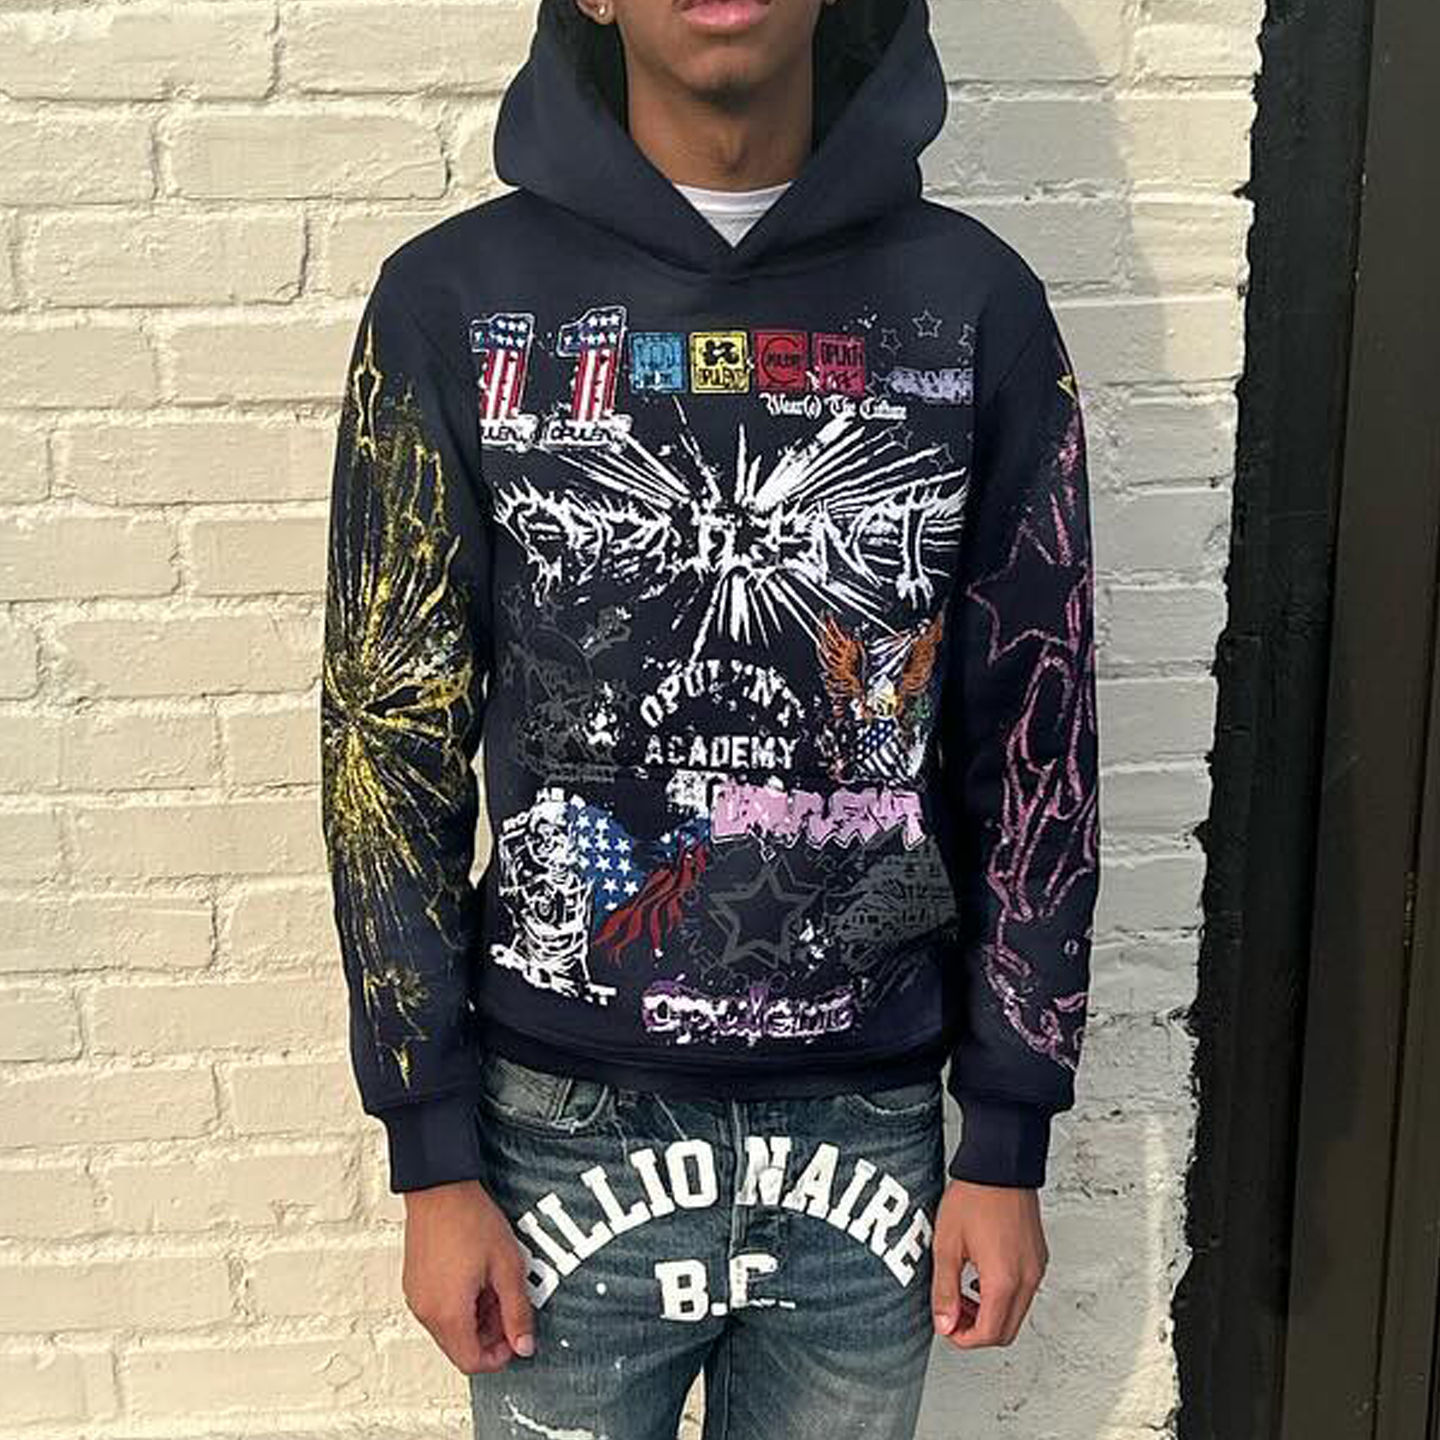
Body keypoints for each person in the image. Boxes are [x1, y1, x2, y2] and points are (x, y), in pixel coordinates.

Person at [318, 0, 1100, 1434]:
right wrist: (429, 1156)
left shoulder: (974, 304)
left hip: (870, 1127)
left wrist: (1006, 1134)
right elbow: (389, 738)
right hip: (554, 1128)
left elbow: (1036, 739)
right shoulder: (453, 302)